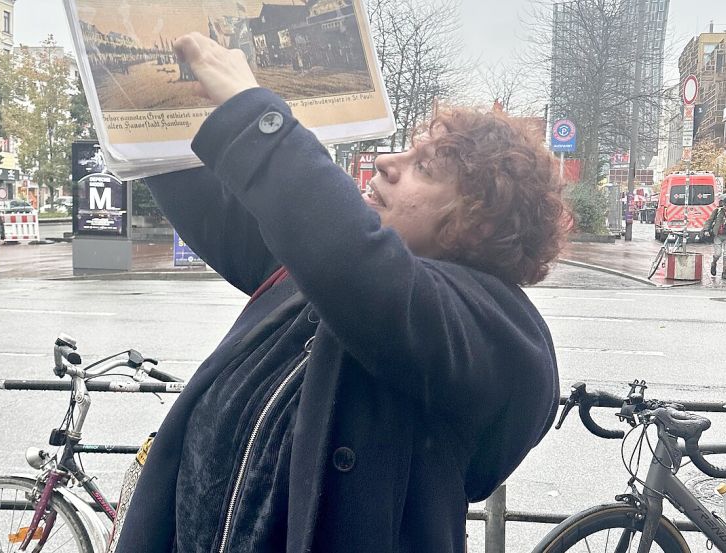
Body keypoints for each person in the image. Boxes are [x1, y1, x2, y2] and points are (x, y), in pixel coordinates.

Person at [114, 33, 568, 553]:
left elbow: (360, 269)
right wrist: (142, 116)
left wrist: (255, 112)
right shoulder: (319, 275)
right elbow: (226, 211)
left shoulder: (496, 330)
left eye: (423, 167)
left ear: (480, 222)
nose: (387, 162)